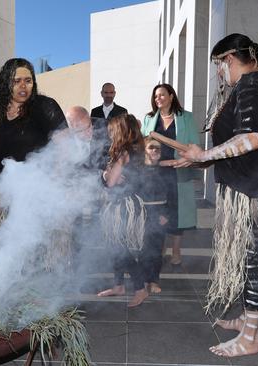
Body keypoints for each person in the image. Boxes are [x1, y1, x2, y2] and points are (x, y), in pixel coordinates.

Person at [174, 33, 258, 357]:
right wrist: (203, 156)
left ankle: (250, 338)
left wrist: (202, 156)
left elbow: (252, 139)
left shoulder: (250, 84)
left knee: (253, 260)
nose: (220, 73)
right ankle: (247, 319)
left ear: (229, 59)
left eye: (219, 65)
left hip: (257, 193)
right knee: (253, 260)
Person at [0, 58, 66, 216]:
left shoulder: (44, 106)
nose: (23, 86)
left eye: (28, 80)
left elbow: (65, 146)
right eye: (16, 81)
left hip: (40, 195)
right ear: (6, 84)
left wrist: (54, 186)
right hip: (4, 195)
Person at [141, 84, 199, 268]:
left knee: (176, 211)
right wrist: (155, 163)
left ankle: (176, 250)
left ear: (171, 96)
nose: (158, 98)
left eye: (162, 95)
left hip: (177, 169)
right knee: (157, 211)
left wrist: (177, 162)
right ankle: (160, 246)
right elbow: (143, 145)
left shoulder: (186, 117)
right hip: (155, 172)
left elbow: (193, 145)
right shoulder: (149, 118)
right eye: (155, 96)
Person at [96, 113, 149, 307]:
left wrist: (104, 175)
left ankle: (140, 289)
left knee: (121, 251)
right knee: (114, 247)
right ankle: (118, 286)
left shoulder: (124, 153)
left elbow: (110, 183)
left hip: (123, 208)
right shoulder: (134, 150)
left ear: (120, 130)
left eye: (112, 129)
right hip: (124, 204)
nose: (109, 133)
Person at [139, 137, 169, 294]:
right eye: (151, 147)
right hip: (142, 214)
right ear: (144, 150)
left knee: (157, 250)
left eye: (158, 148)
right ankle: (143, 281)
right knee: (143, 250)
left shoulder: (165, 170)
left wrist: (166, 214)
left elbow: (172, 195)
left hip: (160, 214)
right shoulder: (138, 170)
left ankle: (153, 280)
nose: (156, 151)